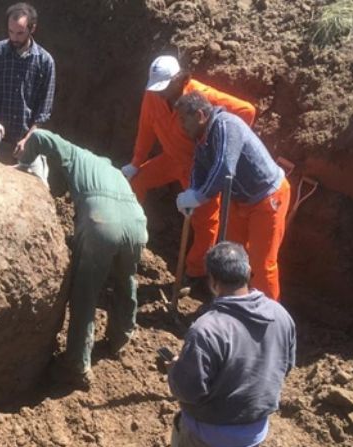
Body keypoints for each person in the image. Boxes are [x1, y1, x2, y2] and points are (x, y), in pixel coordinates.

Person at [16, 130, 148, 388]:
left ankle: (77, 366)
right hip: (137, 224)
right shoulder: (115, 174)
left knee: (85, 294)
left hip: (102, 223)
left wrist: (24, 160)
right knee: (125, 280)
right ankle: (121, 337)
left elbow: (41, 137)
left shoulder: (78, 155)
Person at [121, 55, 256, 291]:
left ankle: (196, 273)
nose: (160, 93)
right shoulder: (153, 95)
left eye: (165, 88)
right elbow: (145, 127)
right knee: (137, 182)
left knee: (205, 223)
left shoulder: (201, 96)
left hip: (198, 168)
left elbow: (247, 111)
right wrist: (136, 161)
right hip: (170, 159)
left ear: (180, 79)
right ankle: (127, 238)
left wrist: (220, 146)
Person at [167, 242, 296, 447]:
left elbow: (188, 391)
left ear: (213, 282)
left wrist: (174, 369)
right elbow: (286, 366)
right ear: (248, 272)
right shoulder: (280, 315)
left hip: (209, 435)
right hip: (254, 433)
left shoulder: (207, 329)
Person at [175, 92, 289, 300]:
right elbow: (199, 167)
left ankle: (266, 320)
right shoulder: (203, 138)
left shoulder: (226, 126)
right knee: (231, 258)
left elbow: (224, 169)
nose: (181, 126)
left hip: (266, 197)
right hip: (241, 200)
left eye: (184, 120)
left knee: (262, 264)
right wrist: (192, 190)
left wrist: (199, 197)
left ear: (200, 115)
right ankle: (232, 304)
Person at [0, 2, 55, 185]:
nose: (14, 38)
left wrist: (28, 139)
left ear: (32, 28)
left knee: (39, 188)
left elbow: (44, 109)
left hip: (28, 142)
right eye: (11, 32)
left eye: (19, 33)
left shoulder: (45, 61)